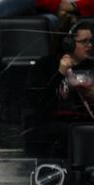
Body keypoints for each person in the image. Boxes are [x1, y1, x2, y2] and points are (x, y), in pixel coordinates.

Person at [26, 21, 94, 157]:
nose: (90, 46)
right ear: (68, 44)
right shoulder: (46, 65)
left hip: (86, 123)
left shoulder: (92, 66)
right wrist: (60, 74)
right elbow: (37, 101)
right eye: (84, 42)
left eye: (90, 41)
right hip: (54, 125)